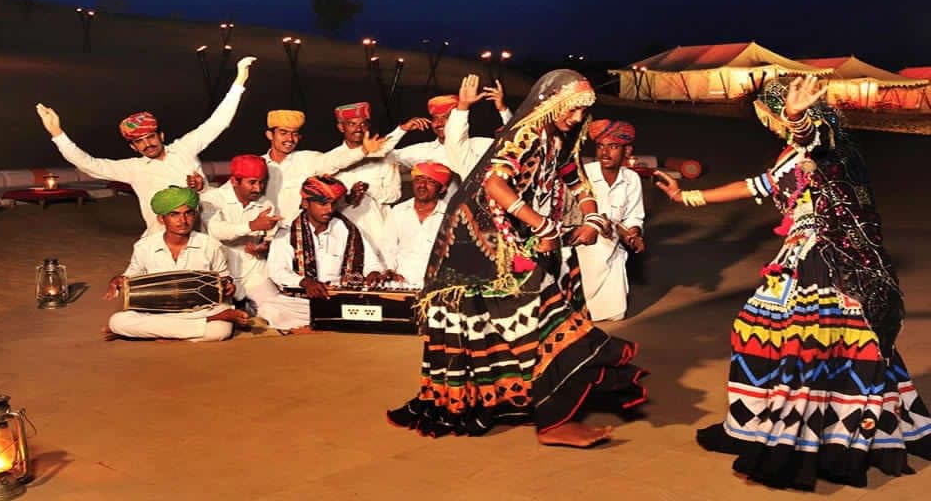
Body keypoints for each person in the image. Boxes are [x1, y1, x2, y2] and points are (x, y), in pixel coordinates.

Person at [654, 75, 931, 489]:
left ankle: (807, 438)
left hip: (823, 257)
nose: (766, 122)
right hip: (806, 252)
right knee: (797, 337)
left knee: (806, 343)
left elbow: (813, 139)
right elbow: (758, 186)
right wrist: (687, 197)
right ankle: (787, 425)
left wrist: (798, 117)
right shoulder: (792, 154)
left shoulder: (822, 143)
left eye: (766, 115)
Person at [387, 69, 649, 447]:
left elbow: (575, 179)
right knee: (542, 312)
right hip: (478, 236)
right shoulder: (526, 133)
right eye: (571, 110)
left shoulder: (560, 138)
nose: (576, 119)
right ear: (550, 102)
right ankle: (554, 418)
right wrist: (543, 227)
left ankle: (538, 402)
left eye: (581, 112)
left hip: (512, 233)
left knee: (518, 320)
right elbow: (495, 184)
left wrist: (591, 216)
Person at [35, 57, 257, 235]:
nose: (147, 144)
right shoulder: (135, 168)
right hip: (160, 239)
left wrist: (239, 82)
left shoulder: (185, 148)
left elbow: (218, 123)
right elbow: (88, 164)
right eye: (139, 141)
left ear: (161, 135)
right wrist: (57, 133)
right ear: (134, 148)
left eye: (150, 137)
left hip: (207, 233)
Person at [102, 186, 251, 342]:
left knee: (220, 331)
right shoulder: (145, 246)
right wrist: (117, 280)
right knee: (118, 321)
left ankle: (158, 332)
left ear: (195, 215)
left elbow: (224, 276)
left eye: (188, 213)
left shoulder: (210, 245)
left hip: (202, 310)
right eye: (174, 214)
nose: (183, 220)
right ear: (161, 219)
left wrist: (228, 285)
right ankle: (196, 327)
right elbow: (130, 277)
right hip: (158, 311)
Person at [255, 175, 386, 330]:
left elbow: (371, 262)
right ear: (305, 203)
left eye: (332, 204)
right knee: (270, 310)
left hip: (341, 298)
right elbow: (278, 271)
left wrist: (374, 273)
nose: (329, 209)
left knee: (378, 310)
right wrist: (305, 282)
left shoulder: (347, 229)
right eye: (322, 204)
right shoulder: (287, 233)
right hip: (302, 301)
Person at [260, 109, 387, 227]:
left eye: (295, 134)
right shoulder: (258, 164)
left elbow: (335, 161)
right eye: (283, 133)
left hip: (299, 232)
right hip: (264, 233)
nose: (290, 139)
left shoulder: (308, 159)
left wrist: (363, 150)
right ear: (270, 135)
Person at [328, 102, 428, 246]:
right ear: (341, 127)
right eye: (352, 124)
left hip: (379, 235)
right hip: (342, 234)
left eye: (363, 124)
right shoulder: (332, 159)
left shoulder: (385, 156)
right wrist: (348, 197)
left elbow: (395, 195)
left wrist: (368, 189)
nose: (358, 129)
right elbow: (326, 202)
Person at [574, 119, 645, 321]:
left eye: (613, 147)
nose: (605, 153)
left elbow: (634, 215)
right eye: (600, 146)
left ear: (627, 151)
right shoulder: (583, 175)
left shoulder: (631, 179)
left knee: (616, 313)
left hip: (613, 246)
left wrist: (633, 234)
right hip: (583, 246)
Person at [200, 155, 281, 316]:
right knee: (222, 323)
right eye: (252, 182)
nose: (258, 188)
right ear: (234, 181)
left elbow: (270, 240)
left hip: (254, 272)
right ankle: (242, 307)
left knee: (277, 313)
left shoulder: (265, 204)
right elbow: (216, 230)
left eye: (261, 182)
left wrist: (263, 248)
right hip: (221, 276)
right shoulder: (211, 199)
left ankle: (249, 306)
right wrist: (252, 225)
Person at [379, 162, 452, 288]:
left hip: (437, 285)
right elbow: (387, 247)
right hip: (400, 283)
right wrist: (389, 271)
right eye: (418, 180)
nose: (422, 185)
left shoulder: (450, 215)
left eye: (430, 181)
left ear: (442, 188)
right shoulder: (398, 211)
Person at [443, 74, 514, 180]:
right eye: (501, 131)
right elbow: (455, 138)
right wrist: (463, 105)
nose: (502, 131)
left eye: (504, 130)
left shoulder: (516, 159)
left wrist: (502, 108)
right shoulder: (472, 157)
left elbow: (518, 135)